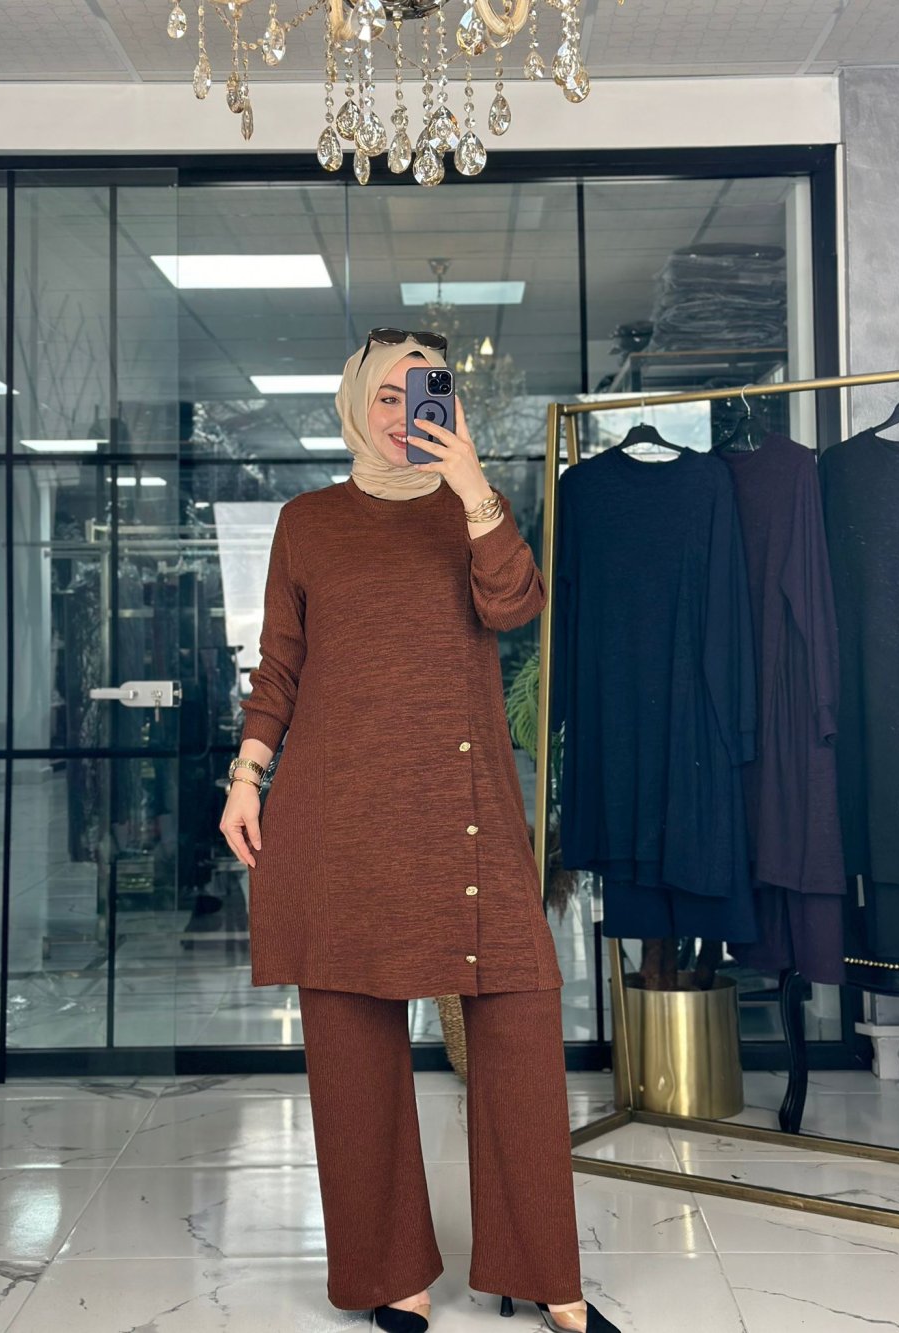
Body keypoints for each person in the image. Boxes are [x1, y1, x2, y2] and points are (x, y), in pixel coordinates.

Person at [219, 329, 620, 1333]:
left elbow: (516, 605)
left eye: (424, 393)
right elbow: (280, 666)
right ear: (356, 403)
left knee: (518, 1018)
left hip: (463, 804)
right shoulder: (307, 522)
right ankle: (388, 1271)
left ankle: (544, 1270)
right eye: (387, 395)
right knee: (352, 1037)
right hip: (340, 809)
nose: (404, 415)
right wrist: (247, 776)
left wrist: (473, 484)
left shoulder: (471, 509)